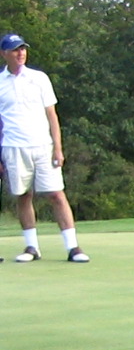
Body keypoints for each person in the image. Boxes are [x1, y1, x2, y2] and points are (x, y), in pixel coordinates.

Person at [0, 33, 88, 263]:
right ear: (4, 54)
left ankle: (73, 247)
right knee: (23, 195)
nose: (21, 53)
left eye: (23, 49)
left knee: (56, 194)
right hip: (13, 146)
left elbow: (52, 116)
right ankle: (32, 247)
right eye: (15, 50)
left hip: (43, 146)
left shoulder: (39, 78)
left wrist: (58, 148)